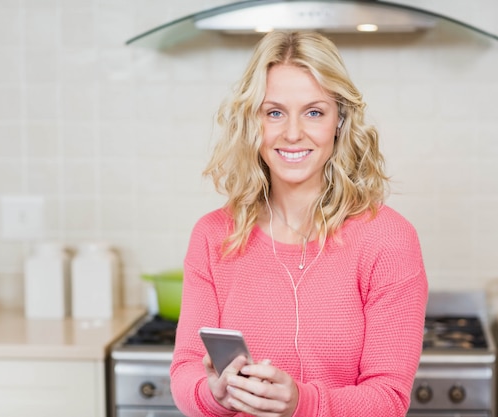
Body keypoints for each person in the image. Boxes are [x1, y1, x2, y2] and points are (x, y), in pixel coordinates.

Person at [170, 31, 428, 417]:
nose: (292, 133)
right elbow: (186, 368)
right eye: (274, 112)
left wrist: (301, 404)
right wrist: (214, 394)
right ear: (252, 121)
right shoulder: (213, 235)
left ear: (340, 119)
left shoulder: (388, 239)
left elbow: (388, 398)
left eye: (314, 112)